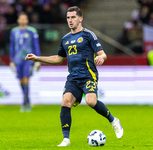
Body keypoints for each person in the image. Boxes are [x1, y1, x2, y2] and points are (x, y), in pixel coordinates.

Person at [25, 6, 123, 146]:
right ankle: (66, 139)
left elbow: (102, 53)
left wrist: (101, 58)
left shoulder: (88, 35)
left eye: (73, 17)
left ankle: (113, 120)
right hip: (73, 78)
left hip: (88, 76)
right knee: (65, 101)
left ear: (80, 18)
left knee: (91, 101)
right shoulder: (65, 39)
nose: (70, 20)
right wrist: (37, 58)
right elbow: (58, 59)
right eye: (68, 18)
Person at [10, 12, 41, 112]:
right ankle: (27, 101)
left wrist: (38, 60)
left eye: (25, 18)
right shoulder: (14, 32)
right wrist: (11, 60)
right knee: (20, 81)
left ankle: (25, 103)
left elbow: (36, 45)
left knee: (26, 80)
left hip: (29, 59)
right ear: (18, 20)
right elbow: (12, 46)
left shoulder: (32, 31)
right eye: (21, 18)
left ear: (27, 20)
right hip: (18, 60)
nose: (23, 20)